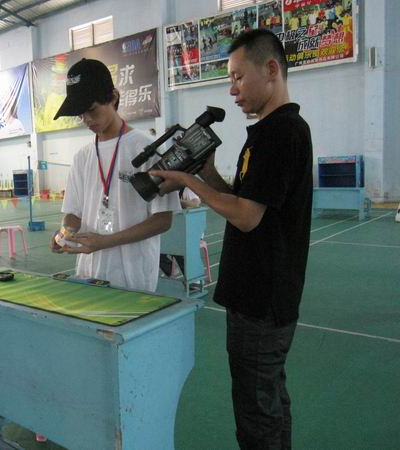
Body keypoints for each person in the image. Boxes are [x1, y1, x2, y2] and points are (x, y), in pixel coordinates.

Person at [151, 29, 313, 449]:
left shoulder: (281, 132)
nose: (232, 89)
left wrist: (187, 179)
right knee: (269, 401)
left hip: (261, 301)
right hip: (262, 297)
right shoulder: (268, 131)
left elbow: (245, 217)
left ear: (271, 69)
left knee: (256, 412)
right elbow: (242, 200)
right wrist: (205, 172)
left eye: (239, 77)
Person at [50, 58, 181, 292]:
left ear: (113, 97)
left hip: (134, 278)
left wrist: (105, 242)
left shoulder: (147, 150)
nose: (86, 119)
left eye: (91, 110)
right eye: (80, 114)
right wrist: (64, 233)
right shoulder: (82, 157)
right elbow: (74, 214)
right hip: (88, 274)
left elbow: (163, 220)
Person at [159, 187, 200, 277]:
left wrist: (177, 202)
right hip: (175, 232)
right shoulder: (169, 191)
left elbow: (196, 204)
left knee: (177, 247)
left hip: (191, 232)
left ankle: (192, 278)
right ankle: (171, 270)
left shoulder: (187, 190)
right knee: (158, 248)